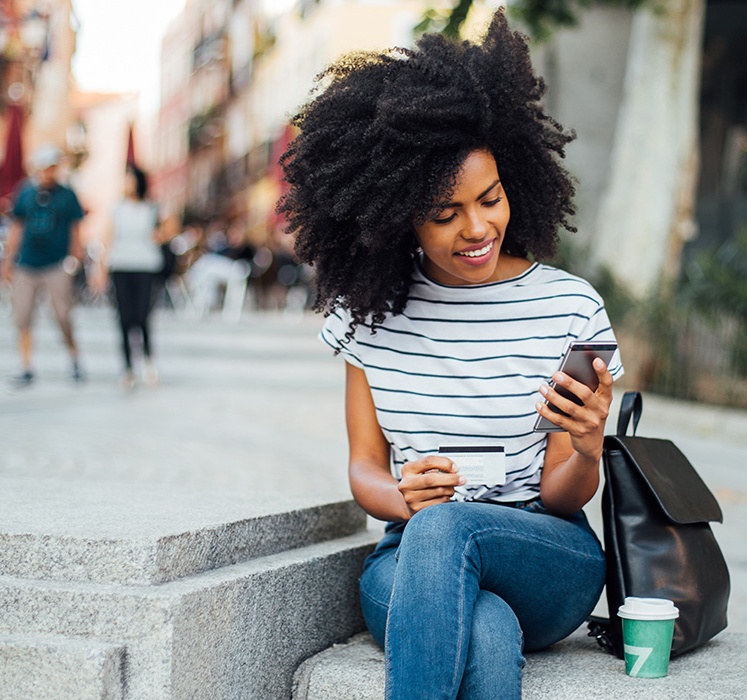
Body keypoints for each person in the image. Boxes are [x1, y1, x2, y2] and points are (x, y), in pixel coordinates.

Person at [278, 10, 624, 699]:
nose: (476, 228)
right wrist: (401, 498)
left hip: (545, 552)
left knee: (448, 529)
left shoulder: (569, 307)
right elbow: (364, 468)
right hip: (408, 557)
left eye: (489, 200)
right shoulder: (370, 315)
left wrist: (586, 448)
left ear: (512, 186)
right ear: (397, 212)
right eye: (444, 214)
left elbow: (563, 495)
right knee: (484, 626)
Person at [1, 145, 86, 387]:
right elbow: (16, 228)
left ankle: (74, 358)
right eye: (45, 168)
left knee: (62, 315)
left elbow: (76, 229)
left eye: (52, 168)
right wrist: (7, 261)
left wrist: (74, 258)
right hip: (27, 263)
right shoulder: (25, 193)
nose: (49, 173)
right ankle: (25, 365)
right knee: (23, 315)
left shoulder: (67, 195)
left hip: (56, 263)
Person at [102, 165, 162, 389]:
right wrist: (101, 268)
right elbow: (109, 237)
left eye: (130, 179)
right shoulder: (117, 209)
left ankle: (149, 362)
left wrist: (159, 234)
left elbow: (167, 231)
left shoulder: (151, 208)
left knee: (143, 315)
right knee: (124, 318)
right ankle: (127, 368)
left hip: (146, 265)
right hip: (121, 265)